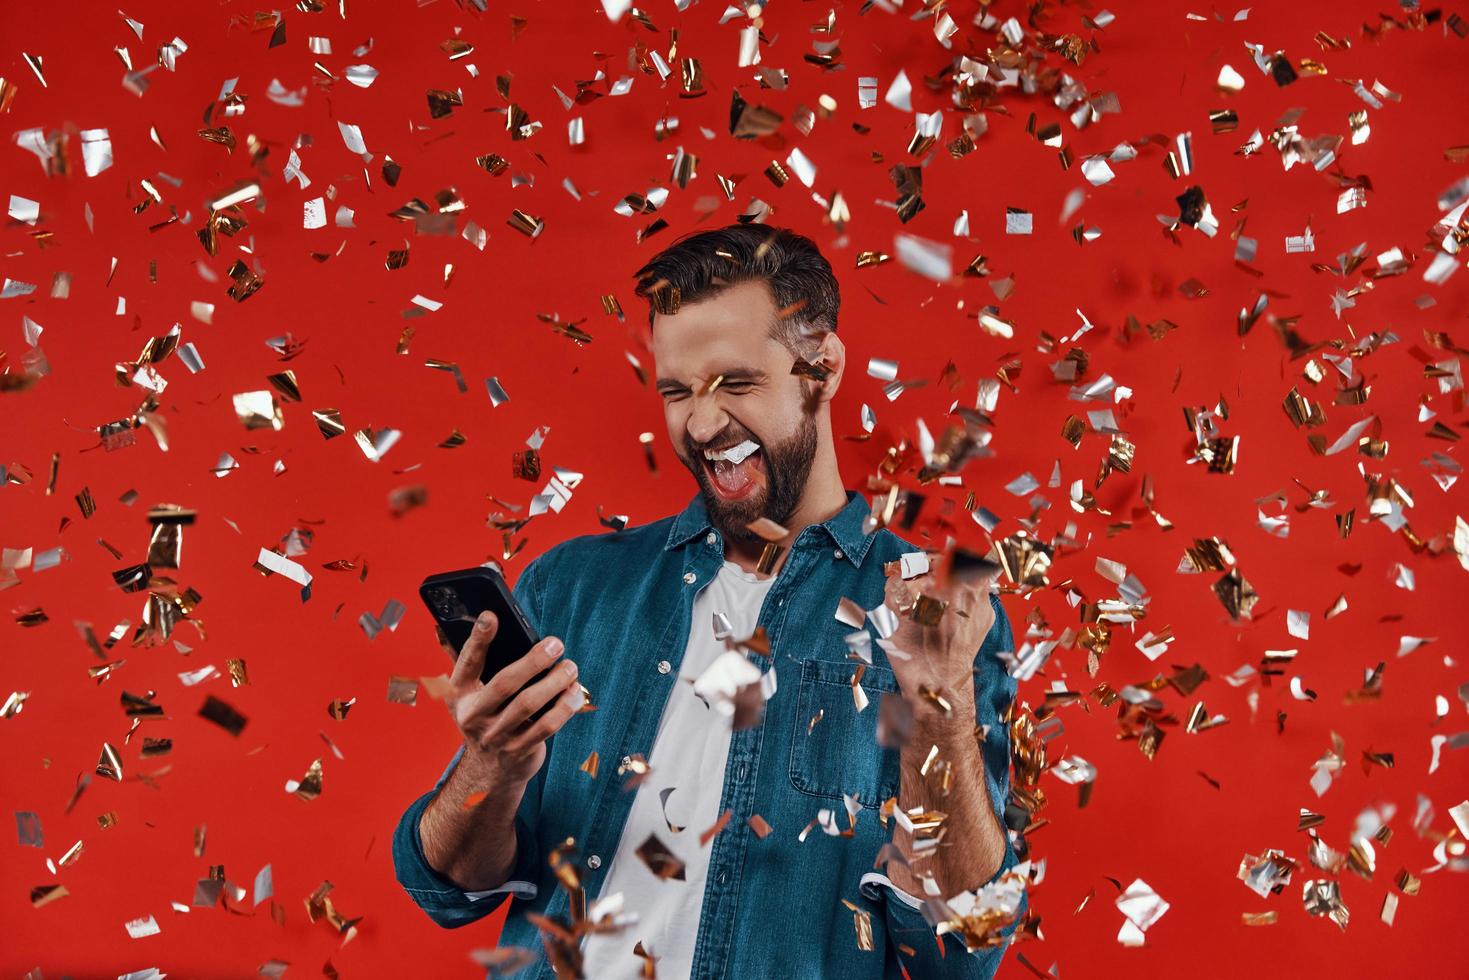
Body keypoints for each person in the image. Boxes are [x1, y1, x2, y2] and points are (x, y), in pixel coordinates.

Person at [392, 224, 1024, 979]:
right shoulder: (573, 587)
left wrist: (937, 705)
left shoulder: (931, 616)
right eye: (676, 390)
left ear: (820, 367)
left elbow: (963, 950)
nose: (700, 423)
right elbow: (449, 889)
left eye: (735, 383)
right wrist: (489, 767)